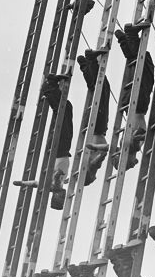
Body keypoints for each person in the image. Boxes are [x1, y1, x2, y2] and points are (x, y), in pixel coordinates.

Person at [113, 23, 155, 170]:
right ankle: (125, 41)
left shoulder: (132, 147)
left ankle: (130, 36)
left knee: (144, 67)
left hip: (138, 106)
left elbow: (140, 133)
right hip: (130, 106)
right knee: (135, 68)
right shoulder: (124, 144)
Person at [76, 51, 110, 186]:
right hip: (91, 127)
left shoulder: (93, 165)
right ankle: (85, 66)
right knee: (96, 91)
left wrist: (97, 148)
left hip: (97, 127)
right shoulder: (82, 162)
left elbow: (105, 149)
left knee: (102, 89)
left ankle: (91, 61)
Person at [41, 74, 74, 212]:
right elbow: (38, 184)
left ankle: (49, 88)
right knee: (65, 110)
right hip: (61, 149)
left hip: (59, 148)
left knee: (62, 112)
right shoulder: (54, 186)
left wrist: (59, 175)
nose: (63, 196)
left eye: (60, 199)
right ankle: (52, 88)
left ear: (55, 197)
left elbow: (57, 174)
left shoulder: (55, 185)